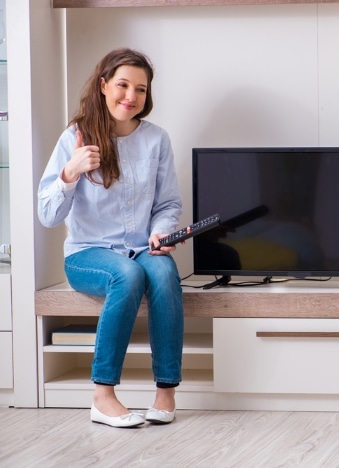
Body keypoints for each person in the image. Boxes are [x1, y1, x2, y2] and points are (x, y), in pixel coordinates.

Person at [37, 48, 184, 428]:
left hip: (141, 248)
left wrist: (159, 233)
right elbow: (48, 216)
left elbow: (168, 204)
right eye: (122, 85)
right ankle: (103, 395)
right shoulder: (76, 136)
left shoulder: (156, 140)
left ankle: (165, 393)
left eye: (140, 88)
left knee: (165, 273)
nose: (130, 96)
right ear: (103, 86)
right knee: (128, 275)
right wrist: (70, 174)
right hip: (88, 254)